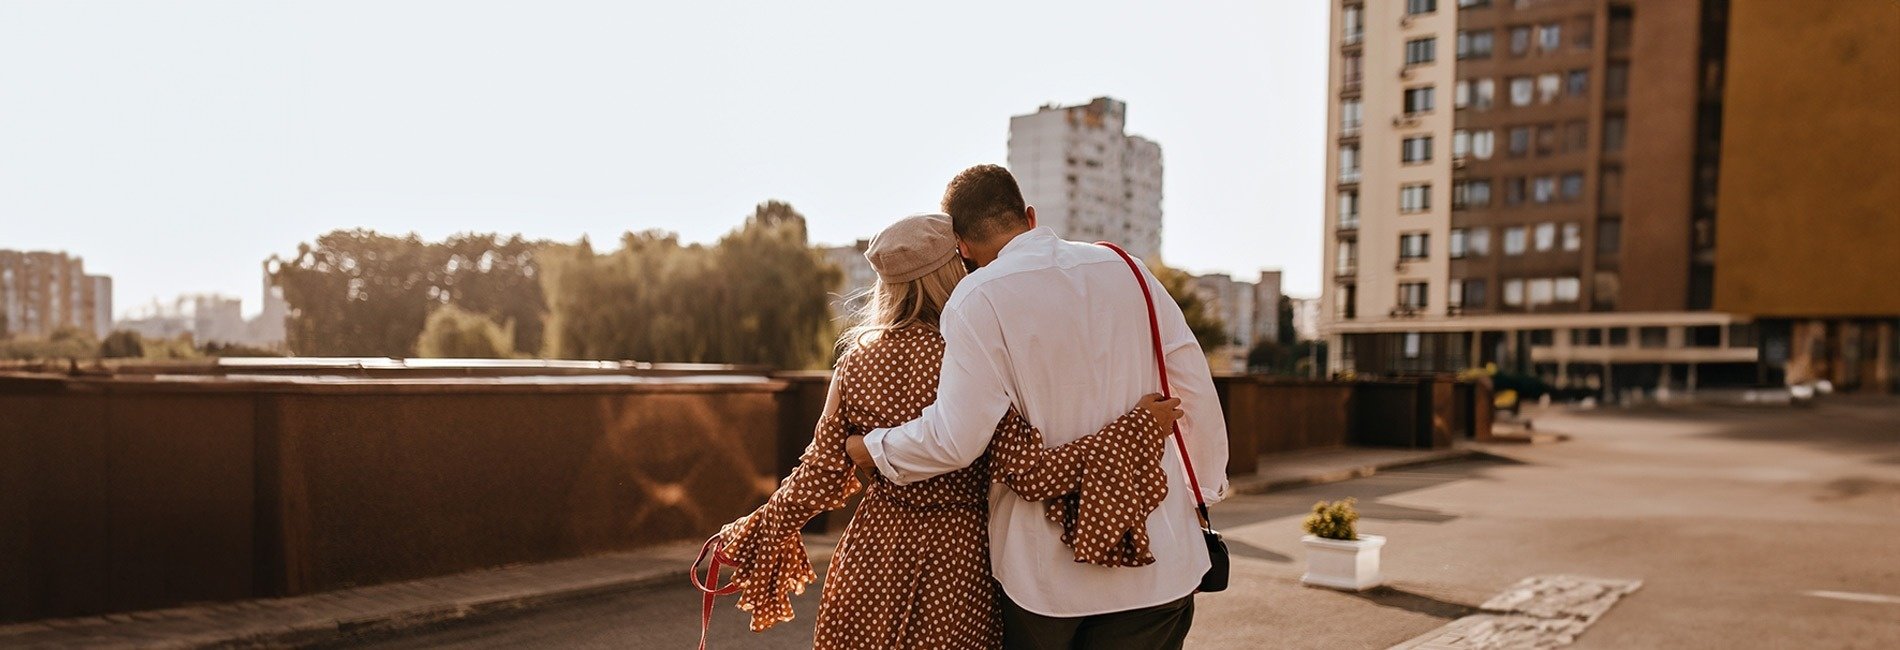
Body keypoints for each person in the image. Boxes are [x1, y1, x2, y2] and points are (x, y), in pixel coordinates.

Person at [713, 213, 1181, 649]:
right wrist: (1137, 429)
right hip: (958, 566)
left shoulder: (857, 360)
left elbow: (820, 469)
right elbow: (1033, 473)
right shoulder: (975, 353)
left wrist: (755, 531)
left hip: (872, 558)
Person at [846, 165, 1230, 649]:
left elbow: (954, 439)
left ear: (961, 246)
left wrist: (871, 448)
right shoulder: (1130, 269)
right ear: (1029, 215)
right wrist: (1203, 494)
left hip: (1046, 578)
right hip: (1160, 556)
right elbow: (1192, 387)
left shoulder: (976, 298)